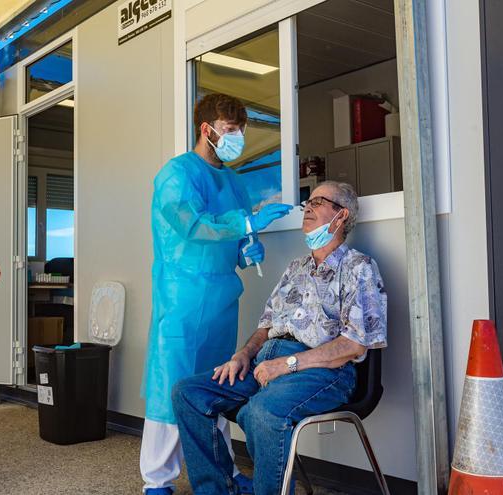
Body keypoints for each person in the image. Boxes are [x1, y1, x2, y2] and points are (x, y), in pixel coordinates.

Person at [171, 181, 388, 495]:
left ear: (340, 216)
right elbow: (266, 326)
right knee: (188, 392)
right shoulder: (296, 267)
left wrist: (287, 364)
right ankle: (216, 490)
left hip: (323, 371)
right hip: (267, 363)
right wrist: (243, 355)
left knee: (261, 412)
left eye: (319, 201)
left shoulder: (359, 268)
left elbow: (353, 344)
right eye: (307, 202)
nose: (308, 207)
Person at [140, 93, 292, 494]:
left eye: (241, 130)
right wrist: (247, 221)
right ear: (206, 129)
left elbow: (235, 238)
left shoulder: (233, 181)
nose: (237, 137)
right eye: (230, 130)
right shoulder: (176, 175)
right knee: (171, 385)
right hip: (183, 299)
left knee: (219, 386)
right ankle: (158, 479)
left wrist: (247, 249)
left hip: (222, 300)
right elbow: (193, 225)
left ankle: (223, 472)